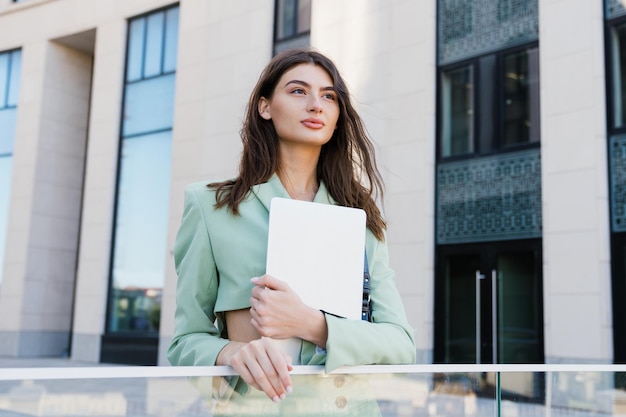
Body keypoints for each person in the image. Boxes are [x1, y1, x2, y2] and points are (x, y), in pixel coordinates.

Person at [167, 48, 416, 409]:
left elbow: (401, 344)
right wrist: (230, 352)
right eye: (298, 91)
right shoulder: (211, 207)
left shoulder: (360, 215)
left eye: (328, 96)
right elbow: (185, 341)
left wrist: (312, 325)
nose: (316, 104)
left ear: (336, 117)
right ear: (265, 107)